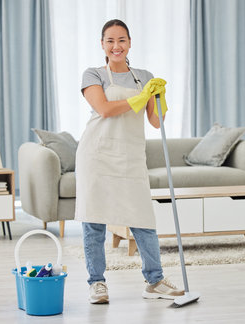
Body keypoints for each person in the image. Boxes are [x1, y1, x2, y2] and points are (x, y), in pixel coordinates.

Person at [75, 19, 184, 304]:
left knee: (143, 219)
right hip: (97, 155)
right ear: (102, 44)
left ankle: (155, 280)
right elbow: (105, 109)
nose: (116, 46)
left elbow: (156, 122)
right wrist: (140, 98)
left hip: (131, 157)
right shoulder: (93, 74)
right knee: (94, 220)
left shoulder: (144, 77)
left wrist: (159, 98)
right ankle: (97, 283)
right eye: (110, 41)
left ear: (130, 43)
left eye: (121, 40)